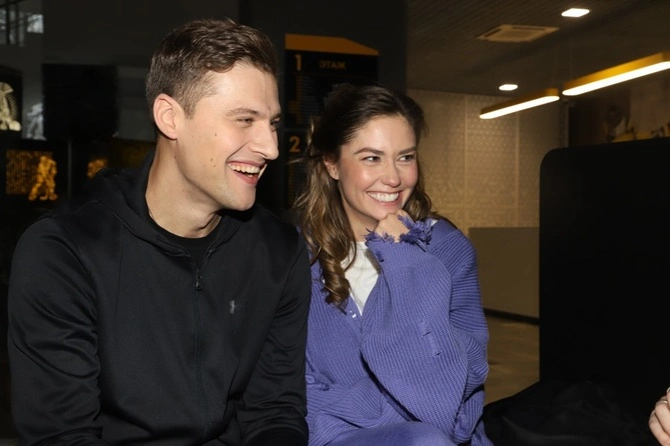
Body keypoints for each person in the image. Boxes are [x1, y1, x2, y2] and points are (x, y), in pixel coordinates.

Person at [7, 18, 311, 445]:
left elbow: (274, 410)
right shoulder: (65, 251)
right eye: (245, 119)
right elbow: (63, 435)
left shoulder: (278, 251)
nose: (271, 147)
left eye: (273, 123)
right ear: (170, 118)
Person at [292, 83, 492, 446]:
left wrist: (402, 257)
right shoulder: (293, 256)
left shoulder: (446, 249)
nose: (394, 178)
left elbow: (455, 390)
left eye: (405, 157)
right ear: (332, 164)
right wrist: (397, 419)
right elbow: (297, 390)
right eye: (372, 158)